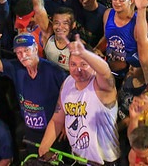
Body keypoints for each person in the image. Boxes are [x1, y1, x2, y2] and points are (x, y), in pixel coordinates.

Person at [38, 34, 120, 165]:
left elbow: (105, 71)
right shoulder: (68, 83)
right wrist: (44, 147)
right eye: (73, 64)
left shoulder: (101, 86)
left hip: (104, 161)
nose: (78, 69)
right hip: (78, 159)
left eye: (84, 64)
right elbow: (57, 119)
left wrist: (85, 54)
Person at [0, 21, 66, 145]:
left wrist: (65, 121)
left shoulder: (54, 71)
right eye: (19, 52)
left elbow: (70, 95)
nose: (23, 55)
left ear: (35, 48)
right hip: (31, 130)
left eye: (27, 50)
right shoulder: (16, 67)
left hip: (54, 130)